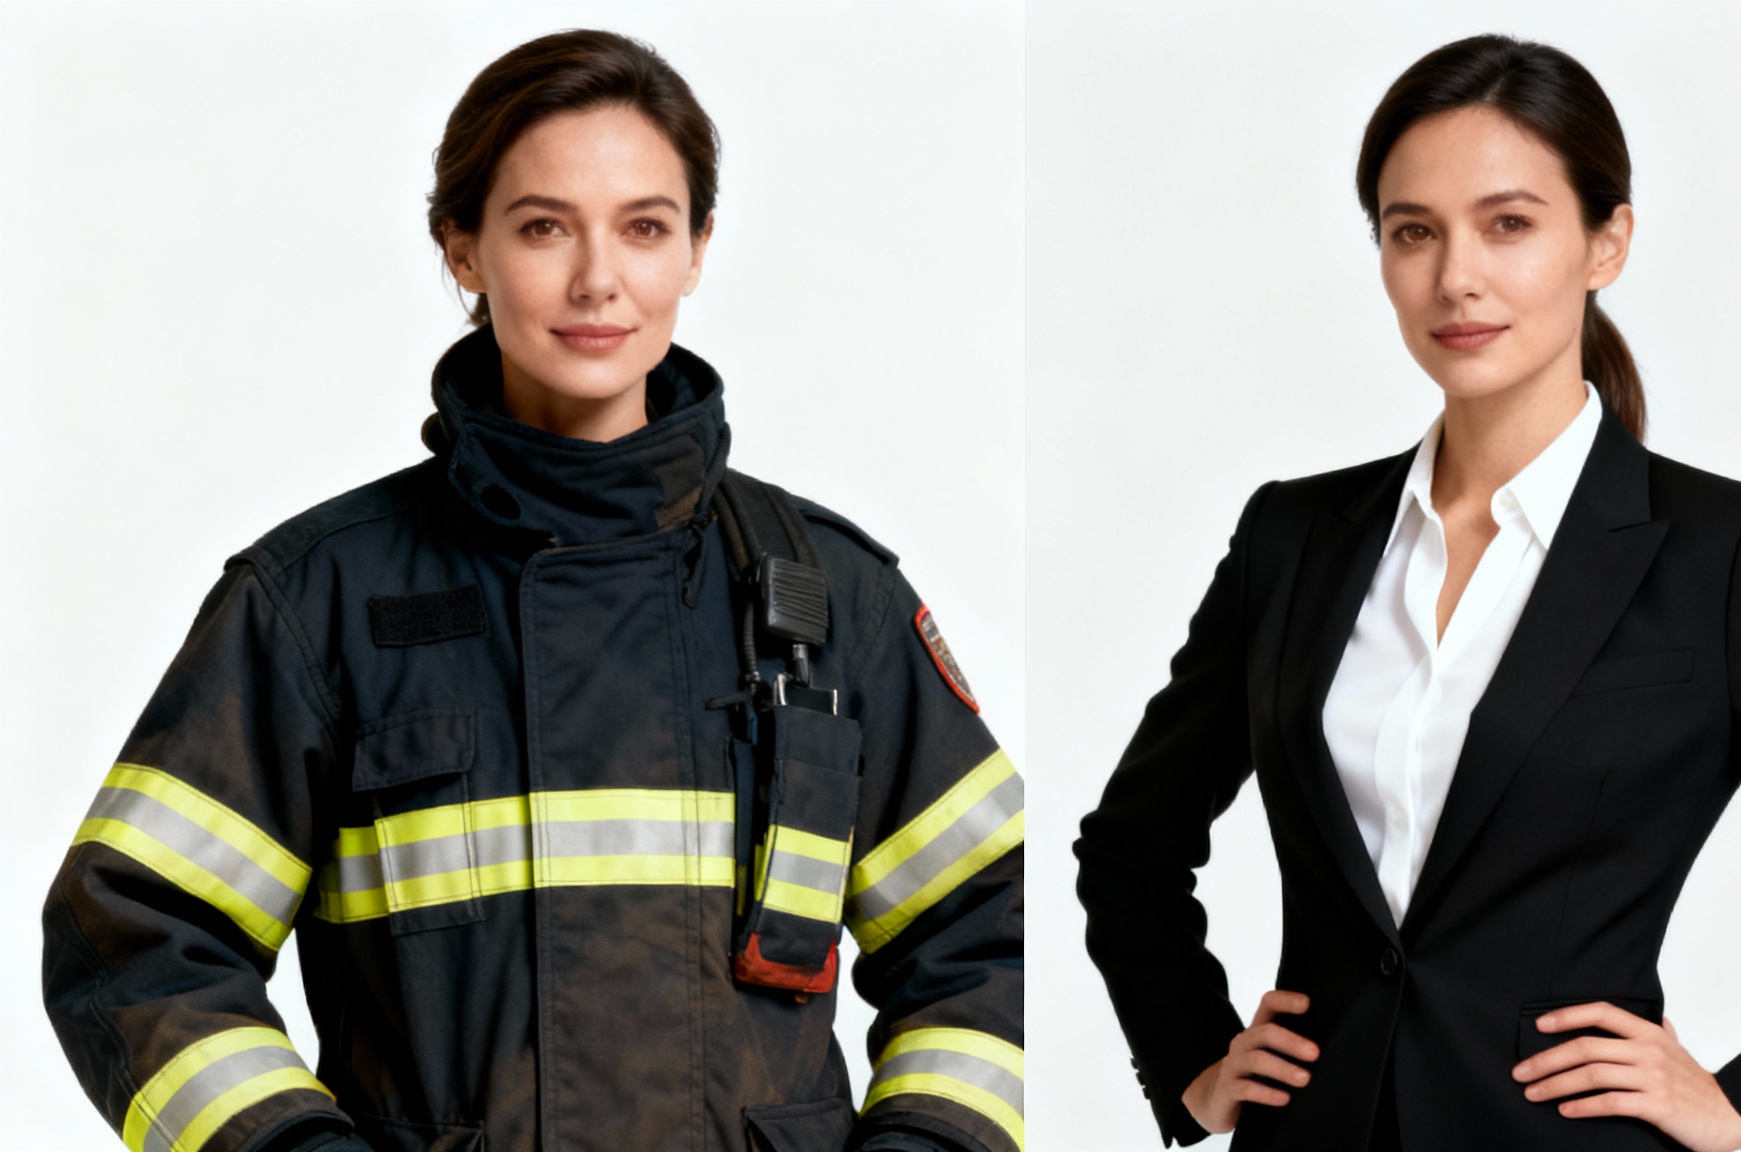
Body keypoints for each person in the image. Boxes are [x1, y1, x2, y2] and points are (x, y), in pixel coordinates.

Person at [44, 30, 1023, 1152]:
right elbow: (133, 942)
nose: (598, 279)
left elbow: (995, 940)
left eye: (645, 227)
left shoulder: (829, 598)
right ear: (462, 250)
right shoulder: (316, 601)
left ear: (697, 250)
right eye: (543, 226)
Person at [1073, 33, 1741, 1152]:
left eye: (1507, 225)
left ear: (1604, 241)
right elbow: (1129, 847)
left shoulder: (1717, 557)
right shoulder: (1293, 537)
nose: (1454, 277)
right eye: (1411, 231)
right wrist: (1189, 1054)